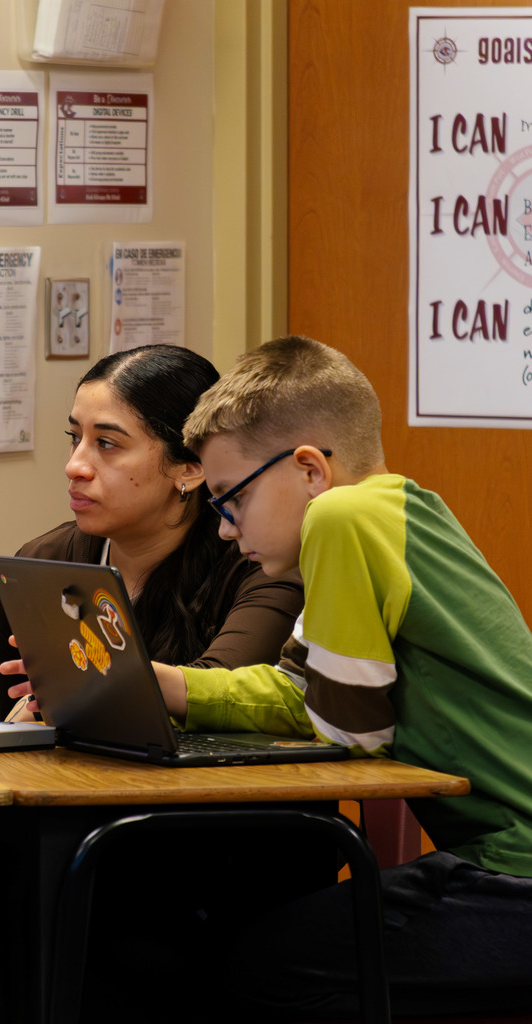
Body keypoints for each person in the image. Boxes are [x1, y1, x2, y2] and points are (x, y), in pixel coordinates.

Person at [152, 334, 532, 1019]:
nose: (224, 531)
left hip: (514, 871)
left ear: (308, 470)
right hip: (502, 861)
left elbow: (350, 730)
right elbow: (304, 695)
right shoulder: (393, 512)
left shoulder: (341, 516)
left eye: (227, 499)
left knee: (267, 959)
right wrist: (161, 685)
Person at [0, 342, 303, 721]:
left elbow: (222, 694)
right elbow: (26, 721)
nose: (74, 466)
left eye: (106, 444)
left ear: (190, 467)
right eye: (75, 437)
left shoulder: (262, 562)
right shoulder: (41, 564)